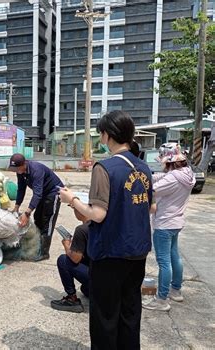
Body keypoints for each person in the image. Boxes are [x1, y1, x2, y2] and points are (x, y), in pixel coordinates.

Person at [59, 110, 153, 349]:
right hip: (138, 252)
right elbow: (151, 207)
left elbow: (98, 215)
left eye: (101, 132)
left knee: (105, 317)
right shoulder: (143, 167)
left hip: (111, 253)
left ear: (107, 135)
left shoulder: (105, 168)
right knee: (130, 313)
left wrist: (72, 200)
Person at [143, 143, 195, 311]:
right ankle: (176, 290)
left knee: (164, 262)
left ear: (169, 161)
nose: (161, 164)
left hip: (164, 224)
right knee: (174, 256)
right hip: (176, 222)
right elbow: (160, 177)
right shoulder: (186, 174)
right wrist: (147, 175)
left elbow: (151, 190)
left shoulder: (172, 179)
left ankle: (161, 299)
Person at [8, 153, 64, 261]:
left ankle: (44, 253)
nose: (15, 171)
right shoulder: (20, 172)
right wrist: (17, 206)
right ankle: (36, 248)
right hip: (42, 194)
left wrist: (27, 213)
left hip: (53, 193)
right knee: (38, 219)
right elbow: (21, 189)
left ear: (23, 164)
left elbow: (37, 194)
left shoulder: (36, 171)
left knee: (47, 221)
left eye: (16, 168)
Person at [51, 208, 90, 313]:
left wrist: (67, 245)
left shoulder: (82, 230)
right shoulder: (105, 225)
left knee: (63, 260)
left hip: (96, 278)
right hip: (112, 280)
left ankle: (72, 299)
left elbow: (75, 259)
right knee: (85, 290)